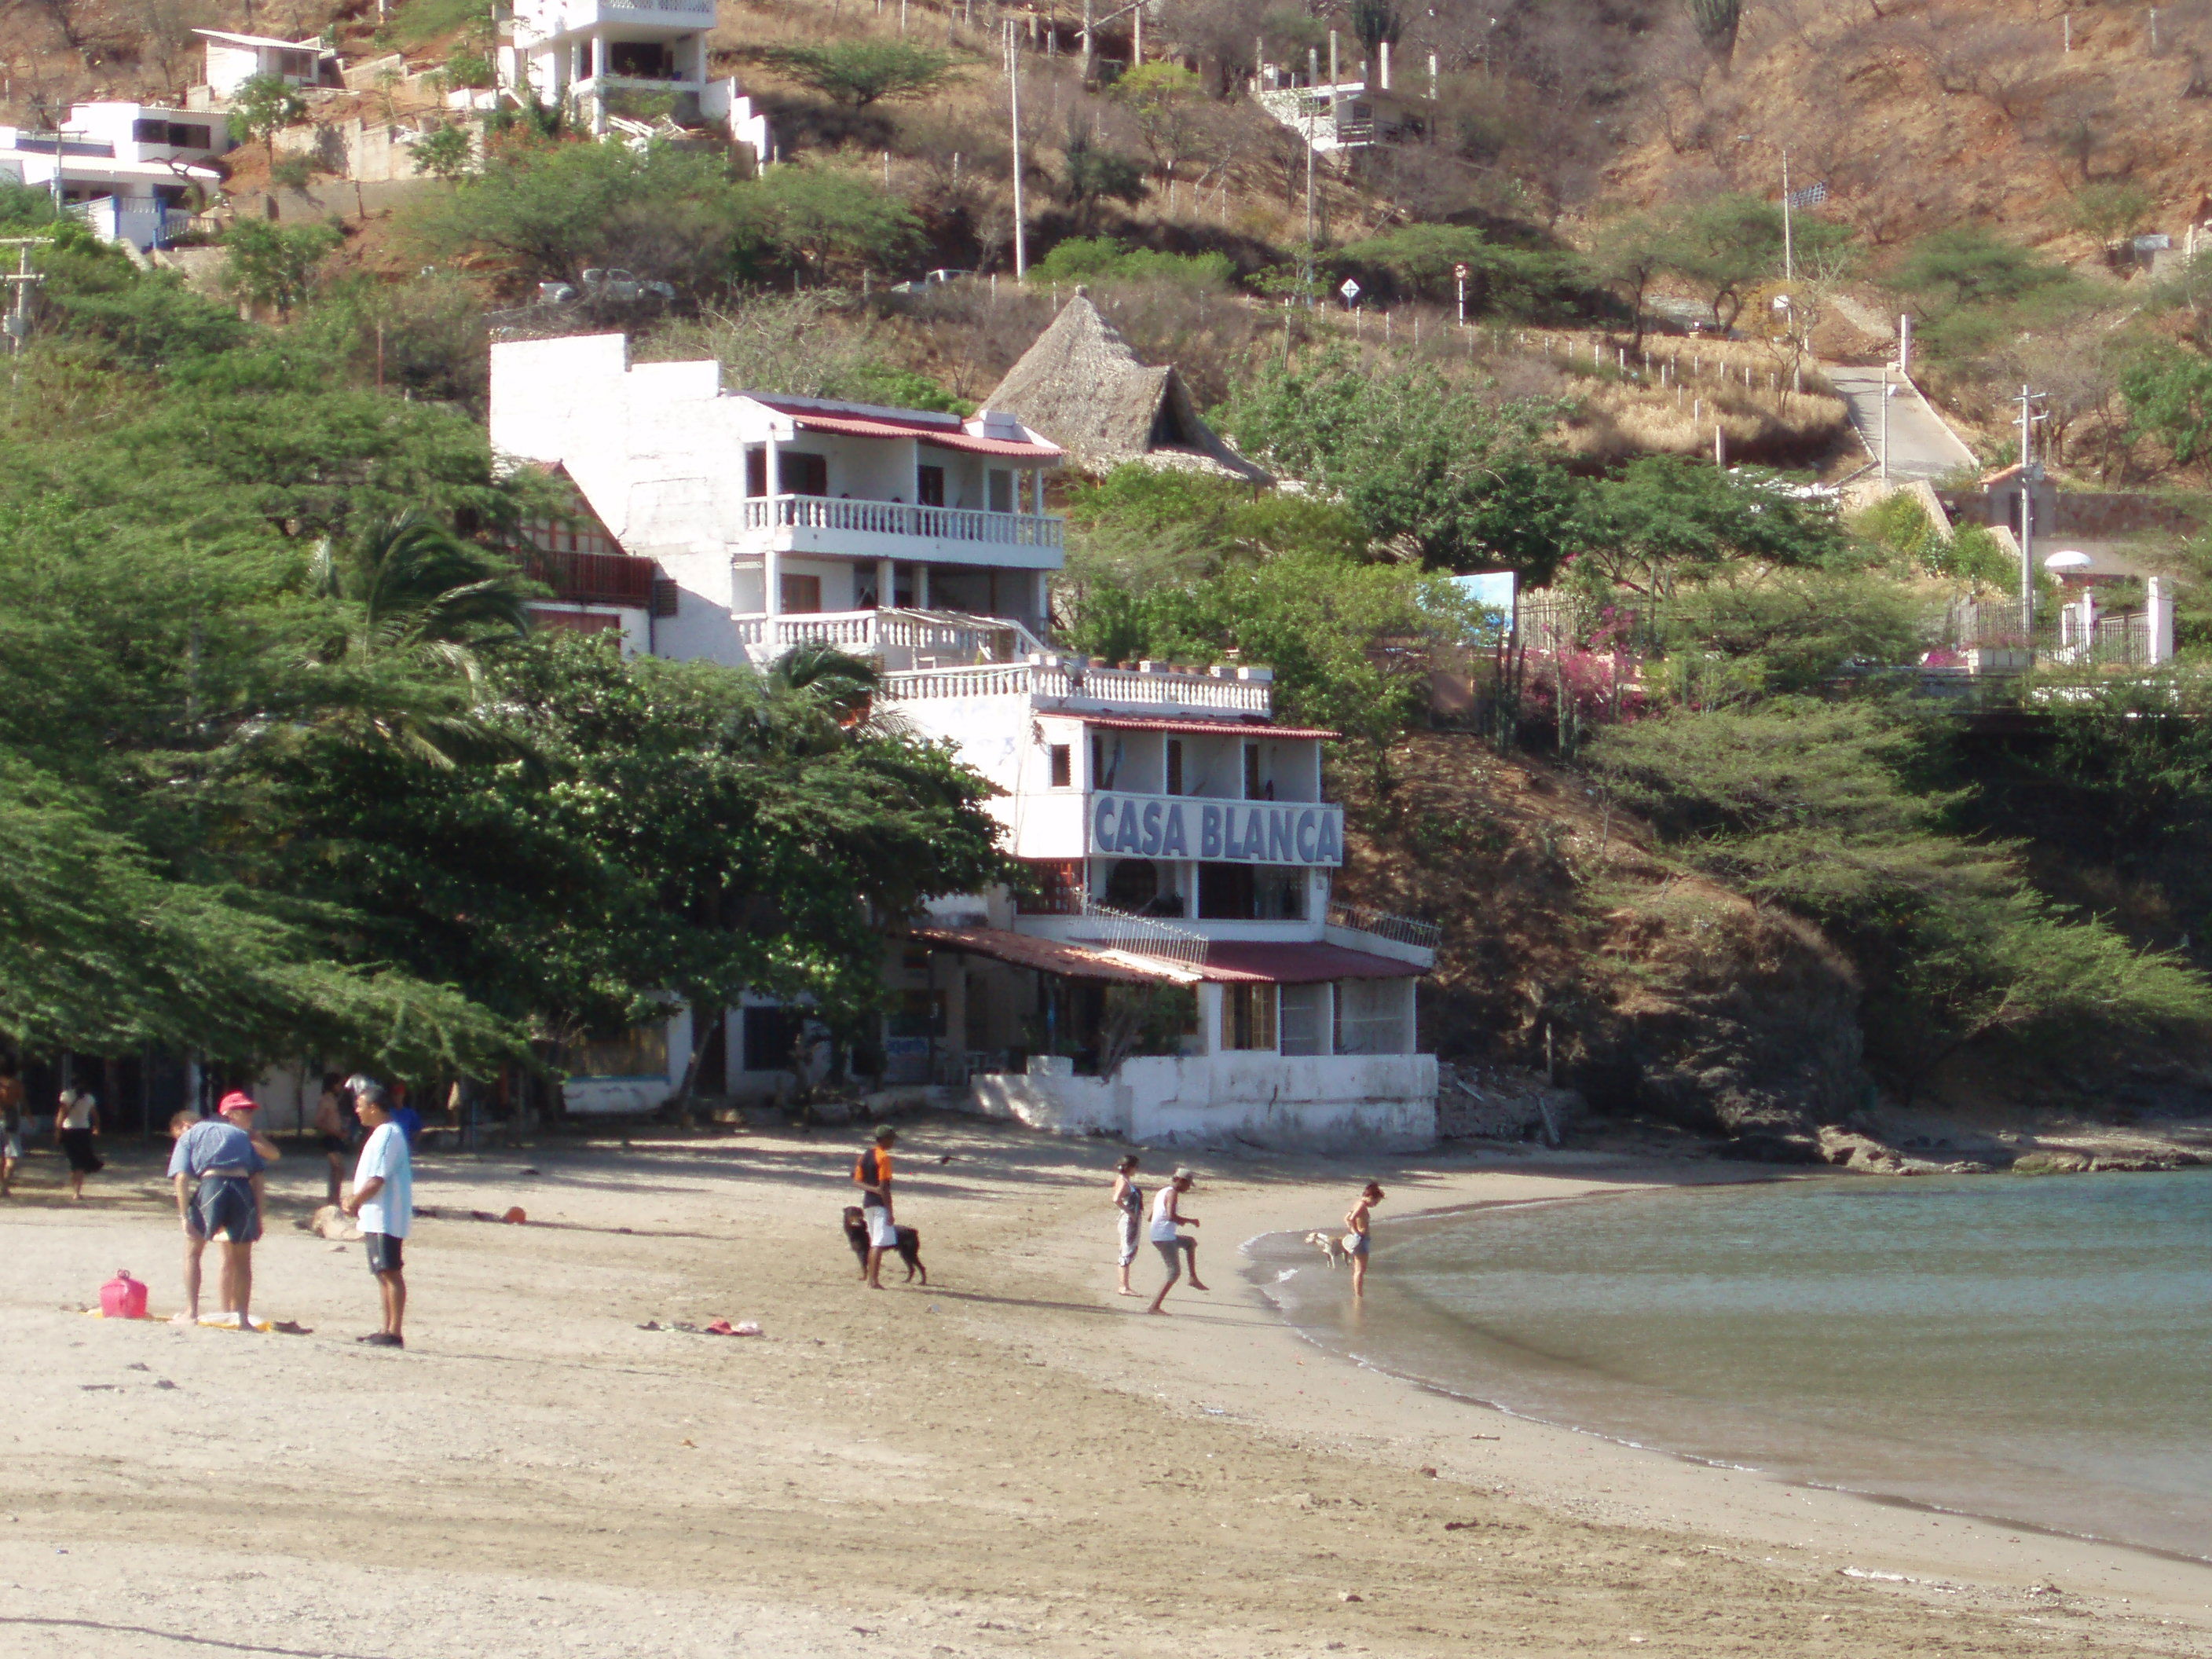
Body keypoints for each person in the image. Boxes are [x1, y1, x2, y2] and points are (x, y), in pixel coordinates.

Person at [167, 1091, 280, 1328]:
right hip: (241, 1188)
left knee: (193, 1251)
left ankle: (192, 1312)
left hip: (212, 1185)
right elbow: (258, 1177)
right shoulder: (241, 1135)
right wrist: (258, 1215)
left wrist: (184, 1214)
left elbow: (181, 1178)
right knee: (243, 1260)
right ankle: (242, 1318)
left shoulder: (190, 1136)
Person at [341, 1082, 412, 1349]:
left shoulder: (387, 1134)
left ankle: (394, 1332)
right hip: (377, 1215)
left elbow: (377, 1177)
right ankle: (386, 1329)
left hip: (386, 1215)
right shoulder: (382, 1133)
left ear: (373, 1107)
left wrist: (355, 1200)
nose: (357, 1111)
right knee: (382, 1272)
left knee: (390, 1271)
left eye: (359, 1106)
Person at [1145, 1168, 1207, 1315]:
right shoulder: (1172, 1193)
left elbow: (1150, 1216)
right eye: (1188, 1185)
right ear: (1181, 1181)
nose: (1188, 1189)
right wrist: (1190, 1221)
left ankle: (1193, 1278)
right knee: (1174, 1273)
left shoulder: (1162, 1192)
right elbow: (1170, 1216)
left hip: (1159, 1235)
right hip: (1164, 1238)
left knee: (1190, 1242)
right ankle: (1154, 1307)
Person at [851, 1124, 899, 1290]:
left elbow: (856, 1181)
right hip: (879, 1205)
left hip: (868, 1204)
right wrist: (890, 1210)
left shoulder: (864, 1156)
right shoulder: (884, 1158)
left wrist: (872, 1189)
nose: (893, 1142)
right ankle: (873, 1281)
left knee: (874, 1241)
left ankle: (870, 1278)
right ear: (884, 1140)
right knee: (878, 1243)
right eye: (891, 1139)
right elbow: (884, 1186)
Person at [53, 1083, 101, 1200]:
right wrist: (97, 1128)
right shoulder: (89, 1098)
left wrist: (58, 1131)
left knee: (74, 1161)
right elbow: (95, 1115)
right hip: (84, 1131)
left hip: (68, 1131)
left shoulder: (66, 1096)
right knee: (80, 1161)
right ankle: (77, 1192)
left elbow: (61, 1114)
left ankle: (74, 1188)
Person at [312, 1073, 353, 1205]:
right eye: (339, 1084)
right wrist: (335, 1132)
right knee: (338, 1168)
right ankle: (332, 1199)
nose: (341, 1087)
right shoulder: (325, 1100)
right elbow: (318, 1121)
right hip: (329, 1137)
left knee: (338, 1169)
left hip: (335, 1136)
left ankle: (334, 1198)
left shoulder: (334, 1100)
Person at [1111, 1155, 1144, 1297]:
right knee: (1127, 1250)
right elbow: (1116, 1199)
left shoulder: (1123, 1180)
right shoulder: (1124, 1182)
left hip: (1128, 1219)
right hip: (1128, 1221)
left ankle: (1124, 1285)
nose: (1137, 1169)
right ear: (1130, 1167)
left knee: (1126, 1249)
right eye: (1135, 1167)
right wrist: (1130, 1213)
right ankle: (1124, 1286)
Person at [1344, 1182, 1384, 1297]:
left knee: (1359, 1269)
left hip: (1360, 1238)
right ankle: (1359, 1295)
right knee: (1360, 1270)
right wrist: (1356, 1232)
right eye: (1376, 1202)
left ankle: (1358, 1294)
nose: (1375, 1205)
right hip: (1362, 1239)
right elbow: (1351, 1219)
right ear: (1370, 1197)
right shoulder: (1361, 1205)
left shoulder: (1358, 1204)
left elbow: (1346, 1218)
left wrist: (1353, 1232)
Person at [0, 1062, 23, 1198]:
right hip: (12, 1119)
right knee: (12, 1155)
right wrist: (29, 1115)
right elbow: (22, 1100)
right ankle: (5, 1186)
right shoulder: (17, 1084)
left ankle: (1, 1184)